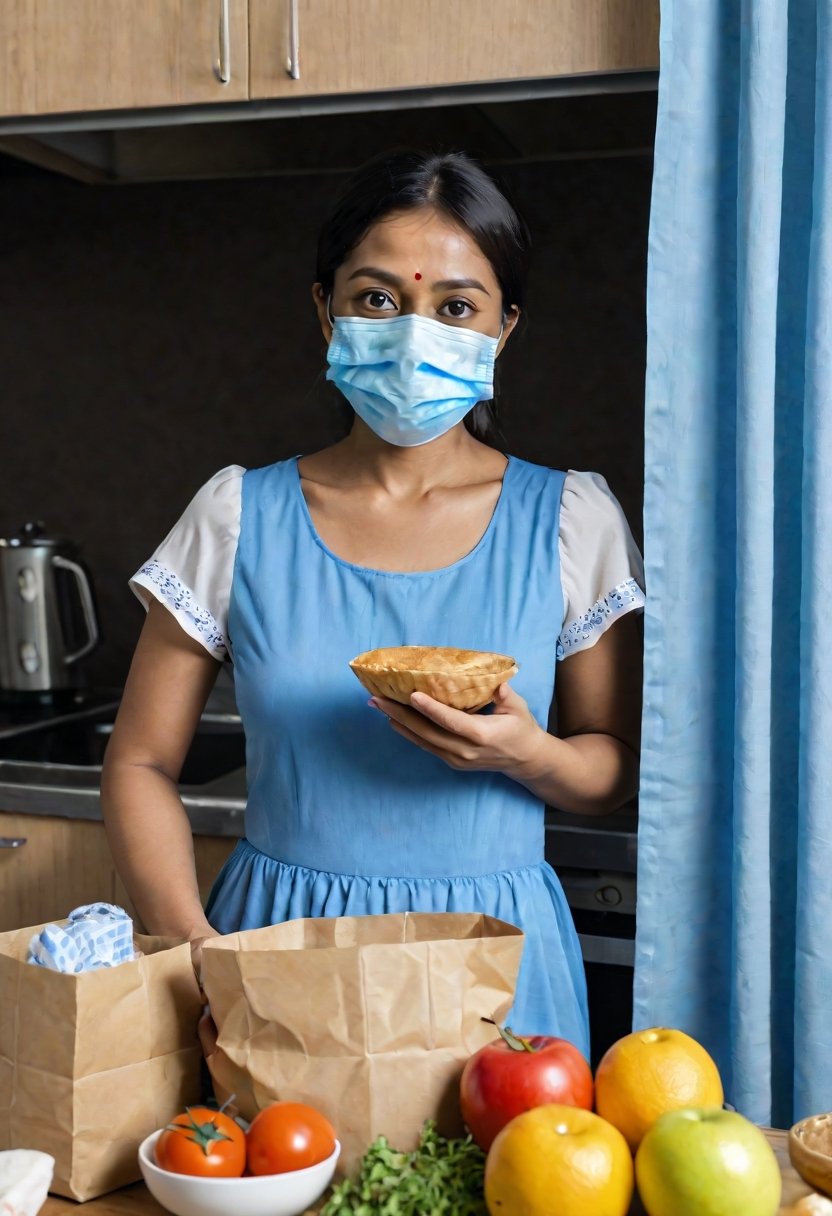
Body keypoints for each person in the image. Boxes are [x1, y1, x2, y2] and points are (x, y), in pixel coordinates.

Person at [101, 149, 645, 1059]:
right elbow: (140, 764)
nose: (414, 330)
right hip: (277, 951)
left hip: (498, 963)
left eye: (455, 306)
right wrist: (201, 955)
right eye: (379, 299)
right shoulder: (238, 514)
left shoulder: (572, 518)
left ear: (504, 329)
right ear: (326, 311)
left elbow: (611, 767)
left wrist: (529, 754)